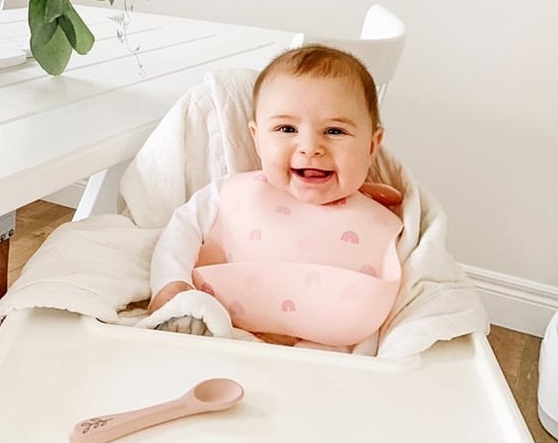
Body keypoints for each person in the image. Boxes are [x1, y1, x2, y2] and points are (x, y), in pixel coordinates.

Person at [148, 46, 403, 348]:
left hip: (332, 356)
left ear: (372, 146)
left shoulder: (387, 218)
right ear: (256, 138)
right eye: (286, 128)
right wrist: (171, 284)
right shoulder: (229, 194)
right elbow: (181, 231)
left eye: (334, 131)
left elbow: (421, 285)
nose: (310, 147)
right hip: (224, 335)